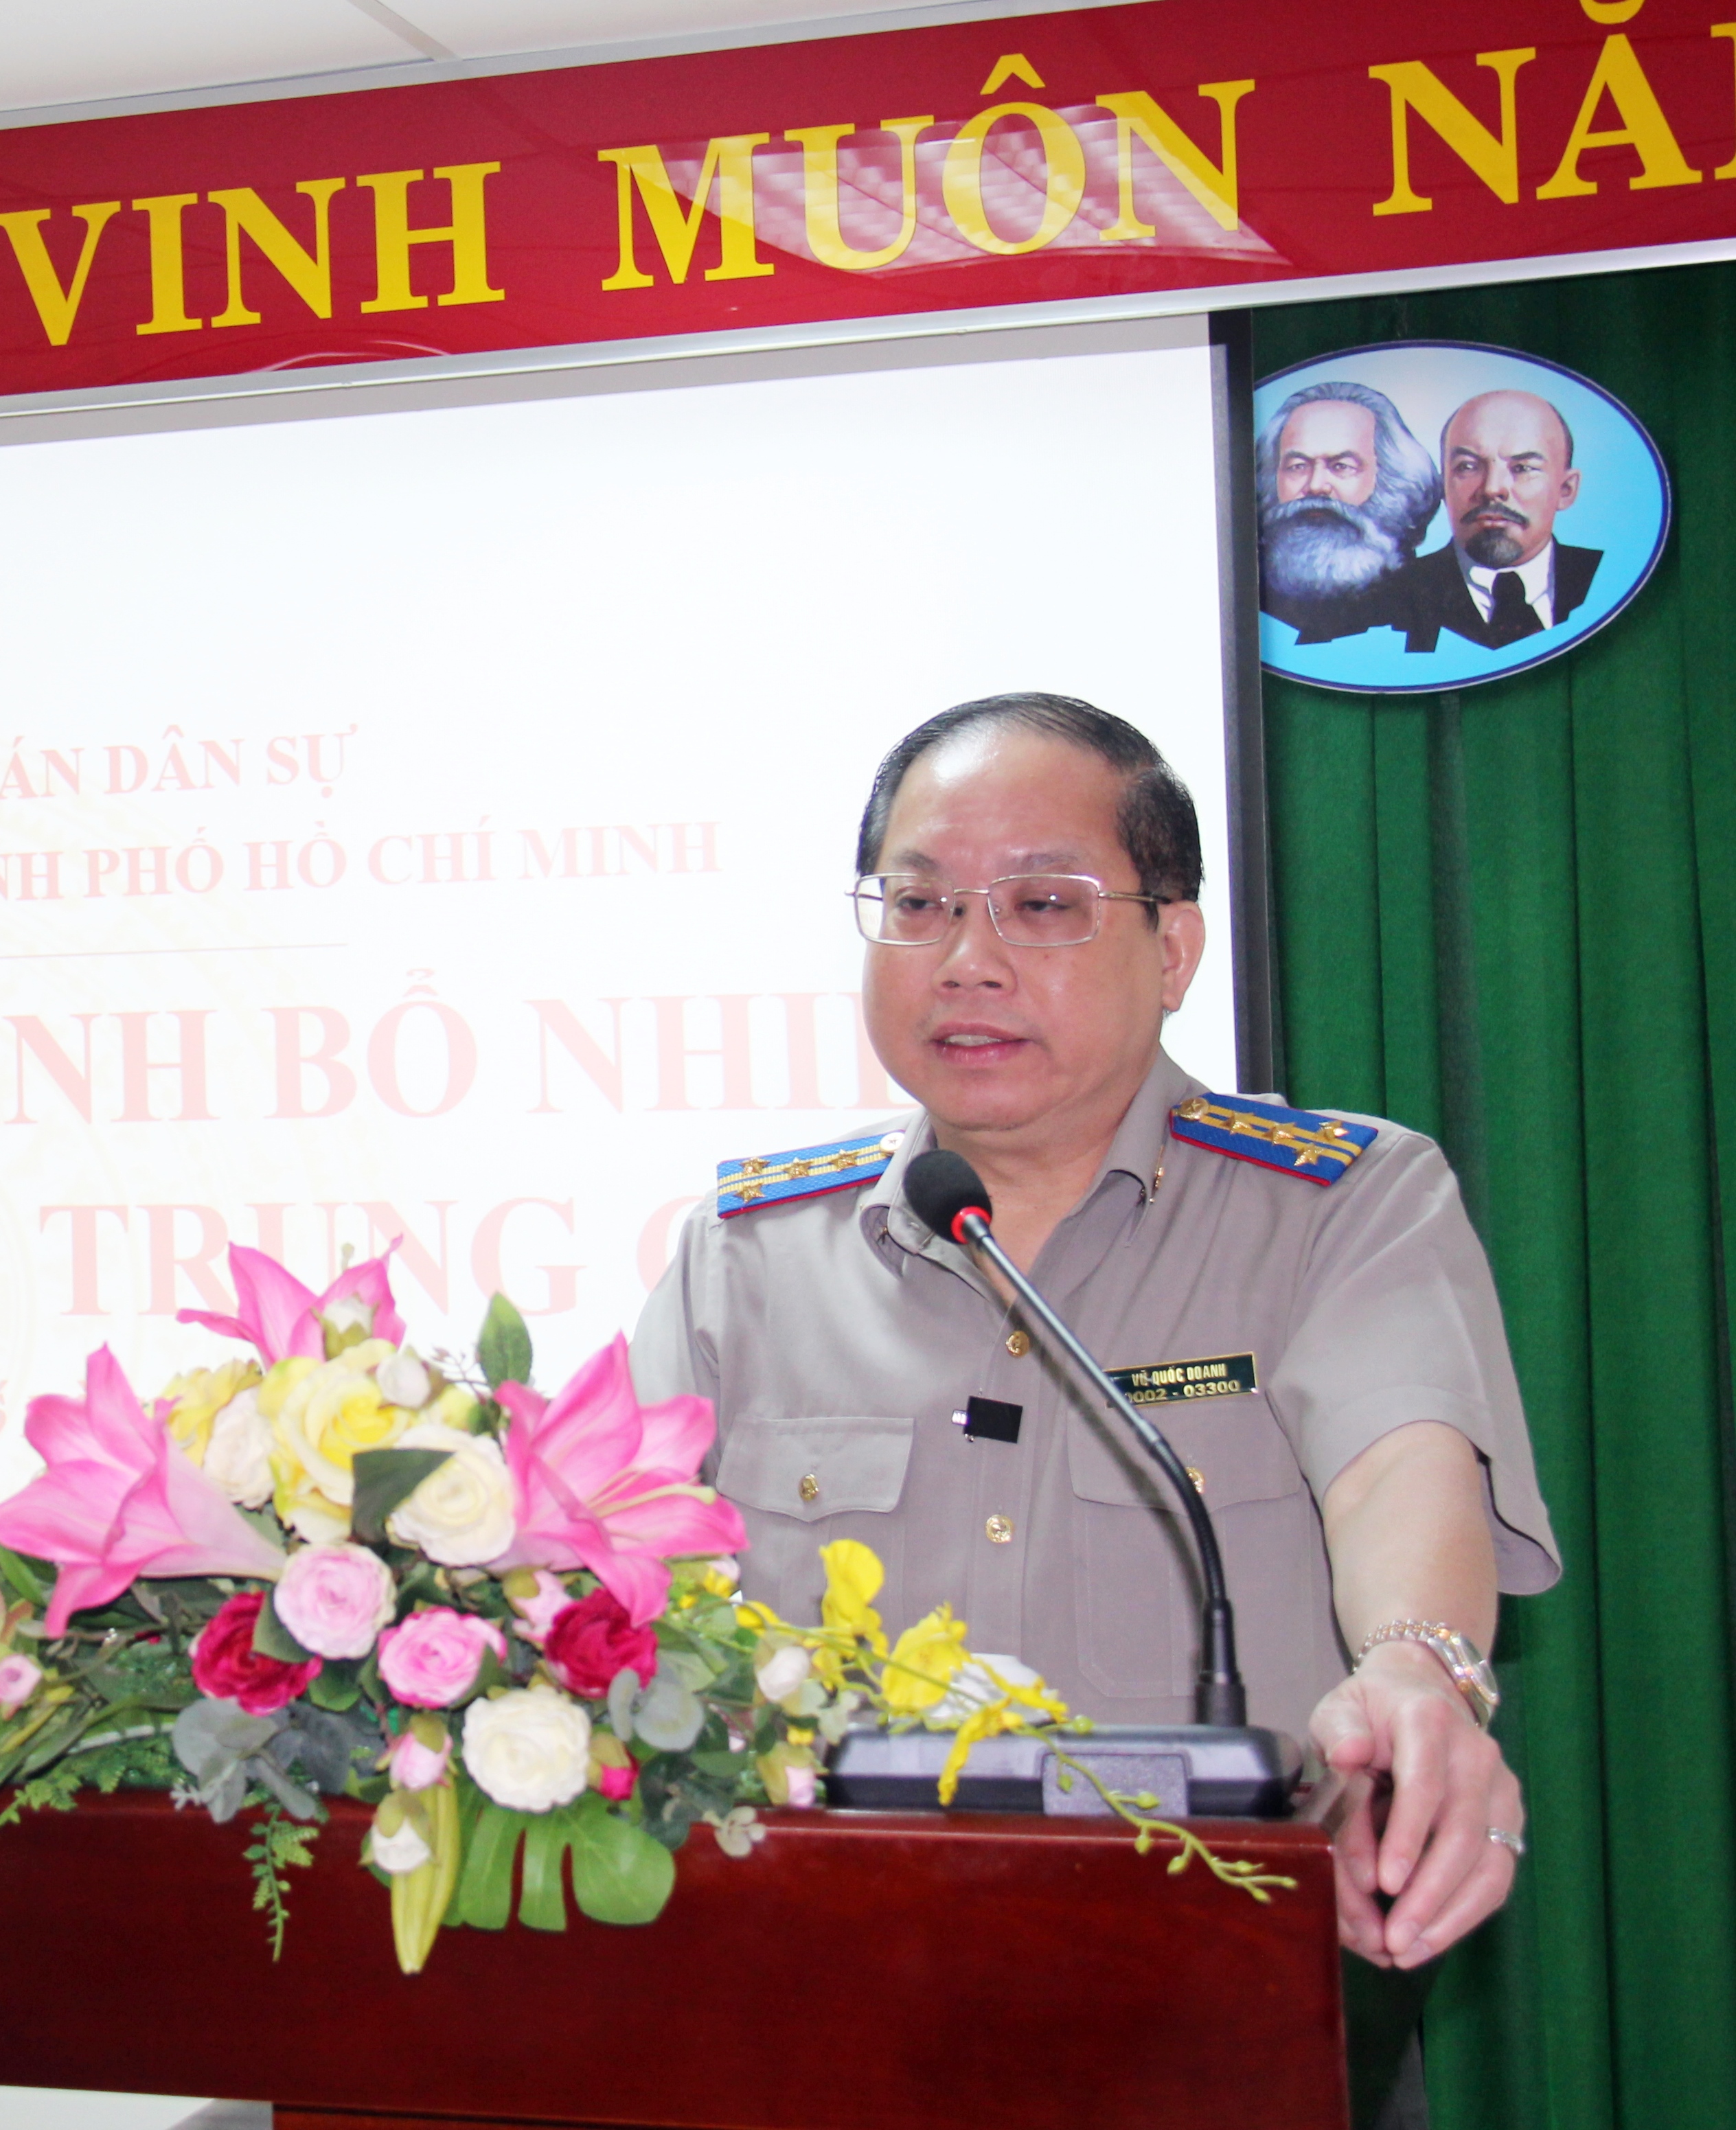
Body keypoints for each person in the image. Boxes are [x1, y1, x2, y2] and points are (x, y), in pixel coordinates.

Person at [632, 694, 1556, 2123]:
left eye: (1042, 905)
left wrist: (1414, 1671)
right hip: (817, 2022)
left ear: (1172, 946)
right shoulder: (746, 1254)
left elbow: (1397, 1469)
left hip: (1220, 2025)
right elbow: (618, 1588)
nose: (966, 958)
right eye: (918, 904)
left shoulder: (1336, 1206)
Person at [1369, 389, 1601, 653]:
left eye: (1523, 468)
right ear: (1443, 487)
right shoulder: (1386, 599)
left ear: (1566, 489)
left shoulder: (1607, 580)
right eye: (1468, 467)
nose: (1492, 489)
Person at [1256, 380, 1441, 643]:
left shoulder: (1431, 605)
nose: (1316, 485)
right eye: (1298, 466)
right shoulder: (1247, 596)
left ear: (1389, 479)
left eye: (1342, 466)